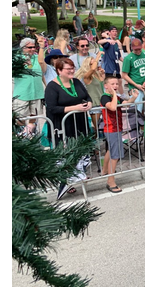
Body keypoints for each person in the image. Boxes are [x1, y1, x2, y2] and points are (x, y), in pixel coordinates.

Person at [44, 57, 93, 200]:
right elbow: (52, 108)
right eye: (68, 69)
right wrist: (74, 108)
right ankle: (65, 182)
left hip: (80, 124)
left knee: (81, 152)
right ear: (59, 71)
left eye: (72, 68)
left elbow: (86, 96)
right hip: (63, 127)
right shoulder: (52, 87)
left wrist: (89, 104)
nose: (72, 70)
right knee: (67, 155)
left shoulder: (76, 82)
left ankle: (77, 176)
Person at [100, 75, 139, 193]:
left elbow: (126, 104)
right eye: (112, 84)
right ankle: (110, 181)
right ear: (106, 86)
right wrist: (114, 95)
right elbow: (112, 107)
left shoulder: (115, 96)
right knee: (115, 155)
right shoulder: (105, 97)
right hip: (111, 128)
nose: (115, 86)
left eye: (117, 84)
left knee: (110, 150)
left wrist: (134, 97)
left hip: (117, 127)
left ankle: (105, 170)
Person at [13, 37, 46, 135]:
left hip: (36, 93)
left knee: (33, 117)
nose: (32, 49)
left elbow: (43, 70)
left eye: (33, 47)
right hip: (22, 94)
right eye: (29, 47)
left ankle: (31, 134)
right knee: (20, 119)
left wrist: (41, 47)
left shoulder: (37, 58)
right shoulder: (16, 59)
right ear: (22, 48)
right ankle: (21, 136)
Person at [121, 38, 145, 104]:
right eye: (136, 49)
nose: (138, 51)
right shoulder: (128, 58)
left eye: (139, 49)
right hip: (135, 87)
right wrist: (136, 85)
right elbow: (124, 75)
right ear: (132, 48)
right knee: (138, 106)